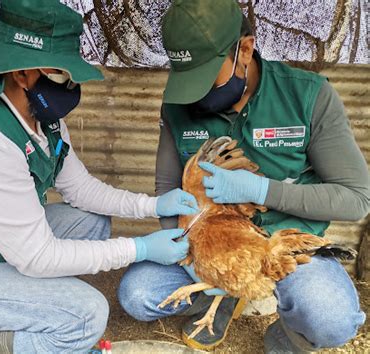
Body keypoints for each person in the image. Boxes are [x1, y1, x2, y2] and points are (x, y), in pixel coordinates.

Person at [0, 1, 200, 353]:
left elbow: (80, 189)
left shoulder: (39, 116)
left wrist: (153, 205)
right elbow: (37, 257)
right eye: (60, 72)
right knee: (87, 315)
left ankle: (30, 310)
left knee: (91, 222)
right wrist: (140, 248)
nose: (70, 84)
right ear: (21, 72)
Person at [118, 0, 368, 352]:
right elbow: (166, 187)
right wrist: (188, 251)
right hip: (212, 246)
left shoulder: (307, 95)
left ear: (245, 50)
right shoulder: (178, 104)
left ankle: (286, 336)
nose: (195, 92)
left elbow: (356, 198)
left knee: (330, 320)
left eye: (205, 75)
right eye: (187, 77)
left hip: (280, 248)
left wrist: (263, 190)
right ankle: (217, 301)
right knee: (138, 294)